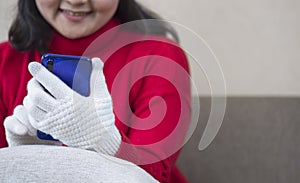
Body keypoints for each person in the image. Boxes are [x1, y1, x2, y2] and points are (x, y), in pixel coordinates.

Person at [0, 0, 191, 183]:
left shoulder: (159, 55)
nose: (76, 1)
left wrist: (104, 143)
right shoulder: (4, 61)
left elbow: (155, 176)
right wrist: (23, 161)